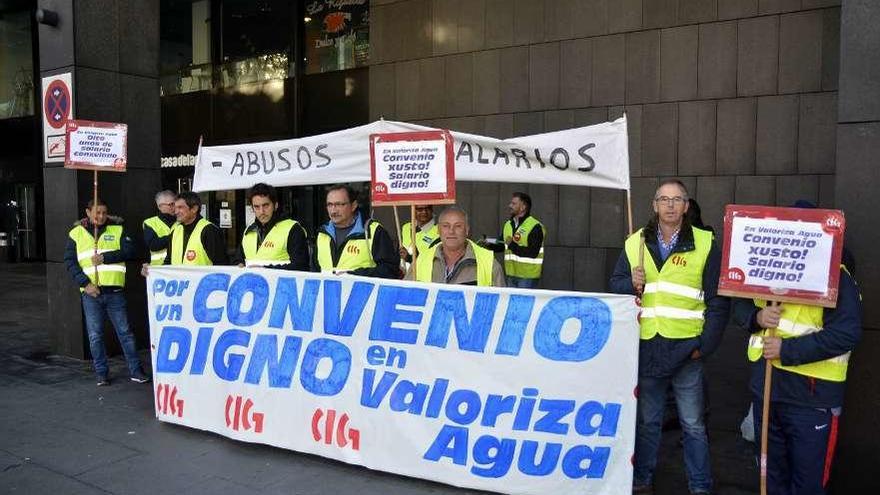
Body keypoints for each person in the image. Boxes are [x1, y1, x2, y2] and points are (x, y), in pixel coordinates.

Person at [610, 179, 729, 495]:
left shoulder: (704, 243)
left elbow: (718, 301)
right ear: (654, 205)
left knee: (693, 425)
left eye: (677, 199)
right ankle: (642, 480)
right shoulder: (634, 242)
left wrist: (704, 346)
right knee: (648, 423)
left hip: (687, 349)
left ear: (687, 206)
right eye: (664, 199)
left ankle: (700, 485)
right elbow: (615, 286)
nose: (670, 205)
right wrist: (629, 283)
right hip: (648, 346)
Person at [733, 246, 862, 493]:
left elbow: (846, 333)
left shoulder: (837, 276)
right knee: (770, 479)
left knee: (807, 484)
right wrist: (756, 317)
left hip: (812, 400)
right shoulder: (763, 268)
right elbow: (737, 303)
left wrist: (786, 349)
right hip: (768, 393)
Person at [64, 198, 150, 386]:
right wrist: (85, 284)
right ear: (88, 212)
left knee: (125, 333)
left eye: (104, 212)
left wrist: (105, 257)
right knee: (95, 335)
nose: (101, 216)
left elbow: (130, 251)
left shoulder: (118, 228)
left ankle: (136, 371)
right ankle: (101, 374)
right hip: (91, 292)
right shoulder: (76, 233)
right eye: (97, 213)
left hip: (114, 291)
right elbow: (70, 262)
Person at [406, 206, 505, 286]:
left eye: (458, 226)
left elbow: (502, 305)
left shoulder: (489, 262)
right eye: (446, 226)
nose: (451, 231)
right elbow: (405, 298)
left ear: (467, 230)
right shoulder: (421, 260)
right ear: (438, 230)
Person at [314, 184, 398, 278]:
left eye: (339, 204)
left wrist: (353, 276)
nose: (333, 211)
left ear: (353, 206)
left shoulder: (373, 231)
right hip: (328, 292)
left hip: (363, 292)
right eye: (330, 205)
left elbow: (390, 270)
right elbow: (314, 271)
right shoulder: (322, 234)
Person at [233, 183, 309, 270]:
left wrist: (265, 270)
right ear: (252, 208)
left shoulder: (292, 228)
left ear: (275, 205)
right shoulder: (248, 231)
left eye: (265, 205)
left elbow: (301, 266)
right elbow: (238, 260)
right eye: (257, 207)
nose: (262, 211)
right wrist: (239, 265)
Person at [483, 192, 545, 288]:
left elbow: (533, 253)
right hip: (511, 275)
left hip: (527, 277)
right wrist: (488, 244)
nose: (510, 206)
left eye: (514, 203)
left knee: (523, 303)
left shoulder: (535, 226)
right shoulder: (508, 224)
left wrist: (512, 244)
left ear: (523, 207)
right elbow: (502, 246)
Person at [399, 204, 439, 271]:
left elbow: (435, 260)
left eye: (427, 208)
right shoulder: (406, 227)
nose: (424, 212)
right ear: (413, 210)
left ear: (432, 209)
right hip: (405, 276)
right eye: (420, 209)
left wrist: (410, 259)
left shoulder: (439, 230)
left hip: (424, 277)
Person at [143, 190, 177, 266]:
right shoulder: (150, 223)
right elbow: (154, 245)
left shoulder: (181, 221)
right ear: (160, 206)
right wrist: (175, 236)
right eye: (171, 204)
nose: (174, 207)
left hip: (179, 268)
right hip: (160, 269)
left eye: (175, 203)